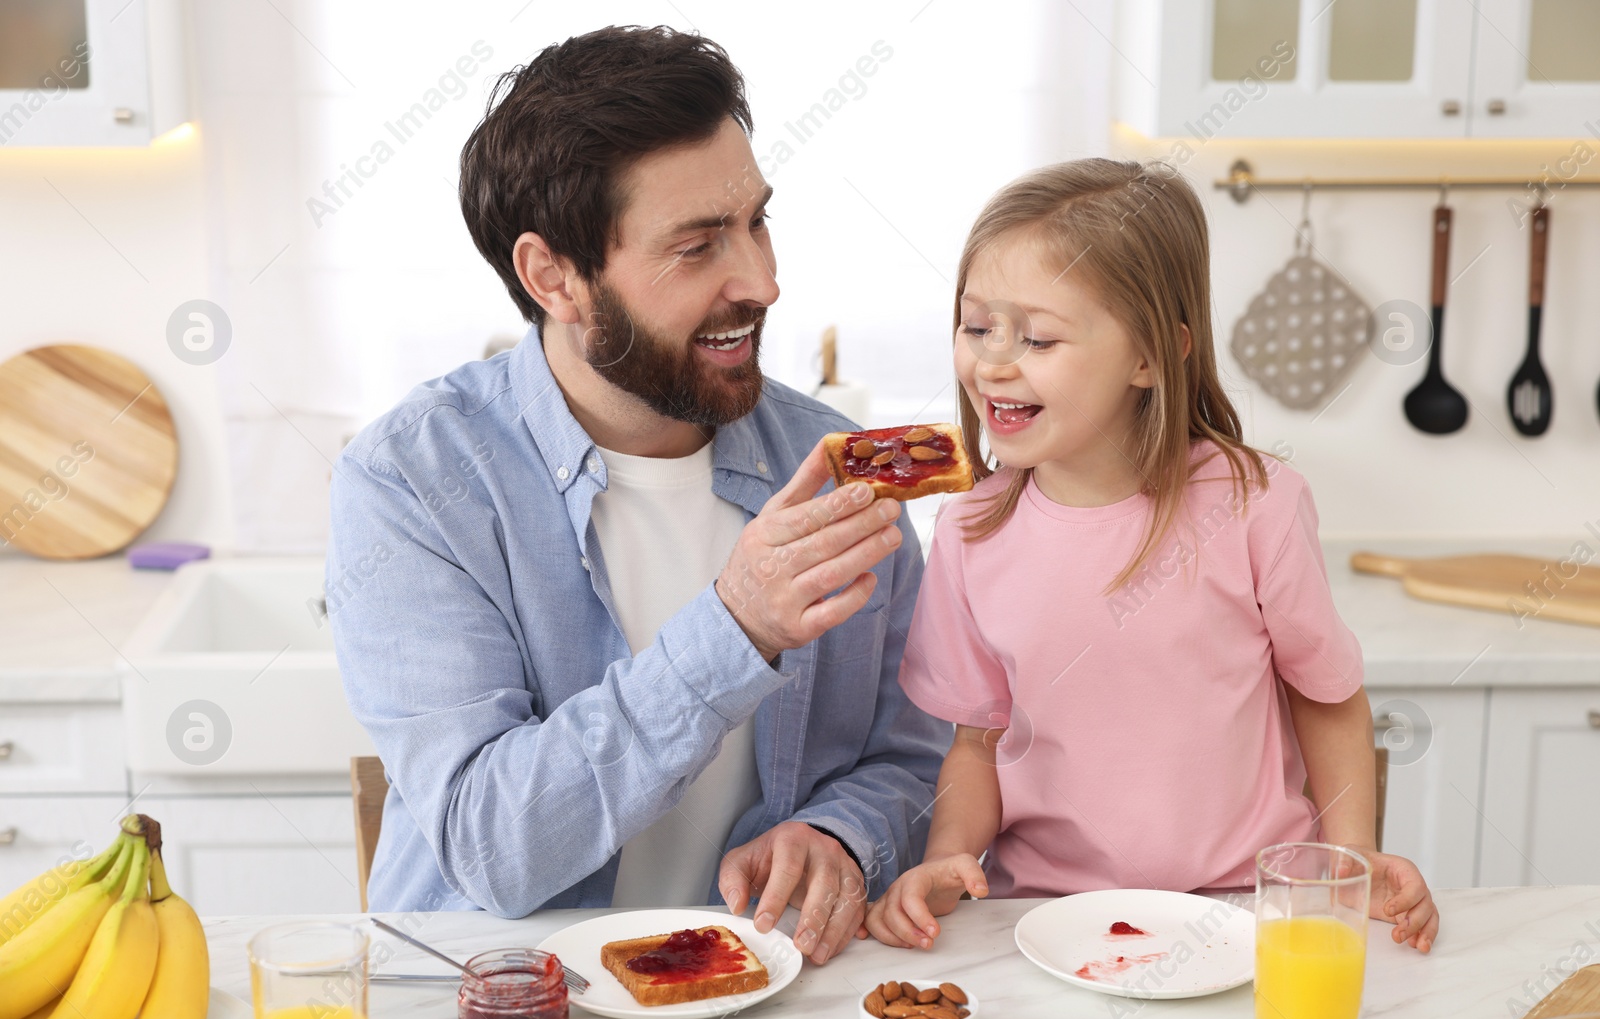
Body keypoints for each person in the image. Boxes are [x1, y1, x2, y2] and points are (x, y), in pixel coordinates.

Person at [326, 25, 945, 967]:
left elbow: (917, 756)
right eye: (697, 247)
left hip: (760, 1001)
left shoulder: (839, 463)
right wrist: (735, 629)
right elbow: (494, 844)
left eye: (756, 222)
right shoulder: (412, 481)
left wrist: (842, 833)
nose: (763, 282)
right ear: (554, 278)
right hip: (504, 1010)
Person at [860, 159, 1440, 955]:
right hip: (1043, 924)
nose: (994, 362)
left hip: (1243, 912)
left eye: (1037, 336)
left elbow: (1330, 699)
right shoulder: (969, 530)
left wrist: (1349, 864)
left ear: (1149, 357)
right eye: (976, 327)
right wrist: (947, 856)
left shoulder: (1255, 506)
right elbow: (978, 740)